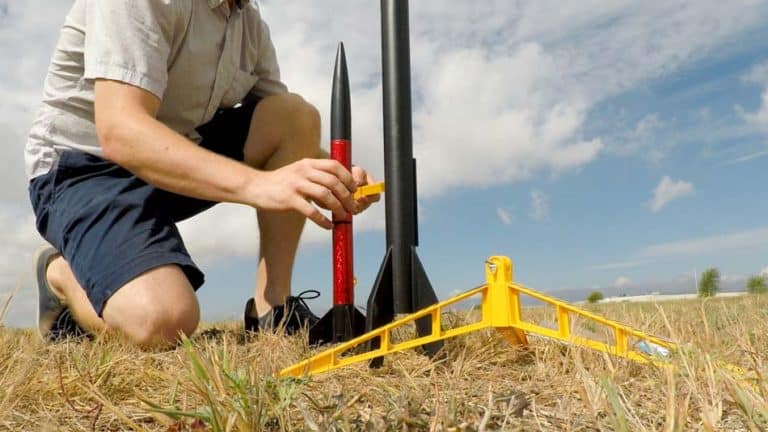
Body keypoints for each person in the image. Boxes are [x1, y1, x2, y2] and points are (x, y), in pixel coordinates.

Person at [25, 0, 379, 348]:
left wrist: (332, 177)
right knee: (161, 322)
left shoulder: (249, 23)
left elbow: (288, 147)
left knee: (295, 116)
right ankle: (60, 274)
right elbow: (120, 131)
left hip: (173, 156)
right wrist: (259, 185)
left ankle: (273, 310)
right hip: (84, 169)